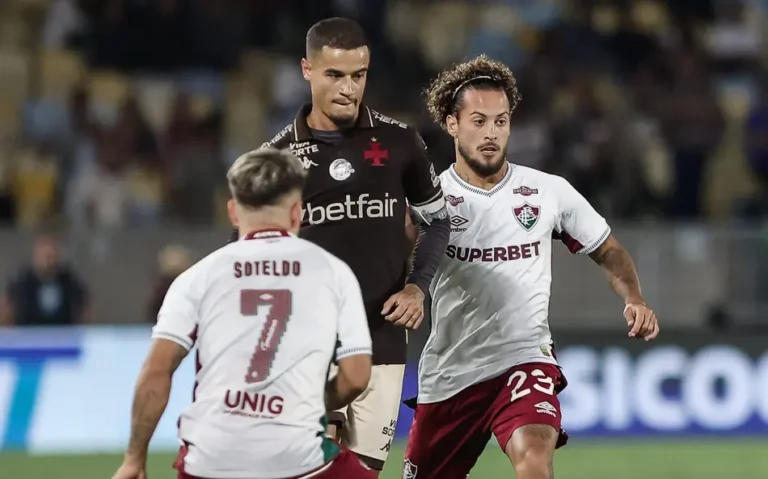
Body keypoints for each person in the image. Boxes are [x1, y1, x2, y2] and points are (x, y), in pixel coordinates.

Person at [401, 55, 661, 479]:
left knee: (534, 458)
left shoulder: (547, 191)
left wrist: (634, 297)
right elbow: (393, 261)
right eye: (479, 121)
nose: (492, 133)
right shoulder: (431, 199)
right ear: (452, 124)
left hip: (524, 360)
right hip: (451, 374)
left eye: (501, 122)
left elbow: (608, 250)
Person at [232, 17, 450, 473]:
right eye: (335, 75)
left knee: (363, 472)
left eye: (358, 75)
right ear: (307, 70)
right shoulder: (277, 161)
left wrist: (417, 288)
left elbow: (438, 223)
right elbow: (251, 254)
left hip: (384, 340)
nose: (348, 88)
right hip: (310, 342)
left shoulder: (399, 142)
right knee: (316, 466)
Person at [112, 148, 377, 479]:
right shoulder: (334, 273)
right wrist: (314, 402)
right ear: (296, 213)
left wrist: (134, 458)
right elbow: (356, 376)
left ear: (233, 212)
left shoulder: (196, 278)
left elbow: (156, 370)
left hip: (210, 461)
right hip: (298, 457)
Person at [0, 234, 89, 326]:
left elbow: (83, 309)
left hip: (63, 333)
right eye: (44, 256)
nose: (48, 262)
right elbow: (7, 307)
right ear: (36, 257)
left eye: (51, 256)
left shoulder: (69, 280)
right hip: (28, 333)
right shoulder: (22, 280)